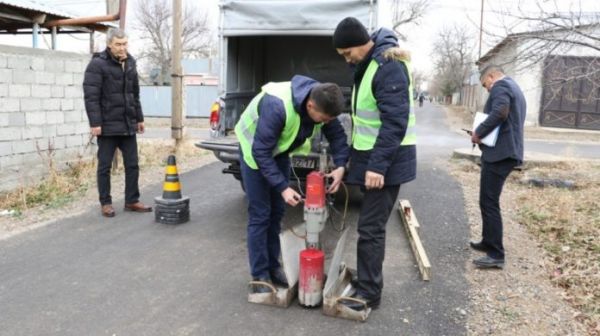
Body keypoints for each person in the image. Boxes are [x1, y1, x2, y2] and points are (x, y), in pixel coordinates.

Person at [235, 75, 349, 294]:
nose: (325, 123)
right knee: (261, 213)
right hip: (254, 150)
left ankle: (273, 266)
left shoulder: (323, 102)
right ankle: (259, 275)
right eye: (323, 119)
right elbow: (261, 152)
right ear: (310, 106)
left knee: (277, 212)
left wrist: (341, 166)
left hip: (278, 150)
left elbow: (338, 138)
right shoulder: (277, 106)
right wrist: (283, 187)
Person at [332, 17, 417, 310]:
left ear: (361, 43)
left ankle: (369, 294)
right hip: (375, 158)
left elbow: (394, 123)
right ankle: (367, 282)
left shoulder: (387, 66)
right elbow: (365, 125)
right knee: (370, 227)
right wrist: (348, 163)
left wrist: (377, 167)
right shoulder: (368, 65)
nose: (347, 60)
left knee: (370, 229)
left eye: (348, 53)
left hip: (387, 163)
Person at [83, 28, 152, 218]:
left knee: (132, 164)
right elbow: (91, 97)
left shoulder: (131, 62)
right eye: (118, 44)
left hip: (128, 123)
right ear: (109, 45)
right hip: (106, 126)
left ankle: (132, 200)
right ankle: (105, 202)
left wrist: (139, 118)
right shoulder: (97, 65)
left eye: (125, 44)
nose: (122, 48)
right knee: (104, 166)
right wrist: (95, 123)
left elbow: (134, 94)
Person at [470, 65, 526, 269]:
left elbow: (500, 112)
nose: (487, 89)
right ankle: (488, 241)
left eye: (485, 85)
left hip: (501, 154)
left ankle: (496, 254)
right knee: (488, 200)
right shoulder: (514, 86)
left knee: (489, 201)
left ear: (491, 76)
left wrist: (478, 132)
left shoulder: (501, 87)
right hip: (507, 151)